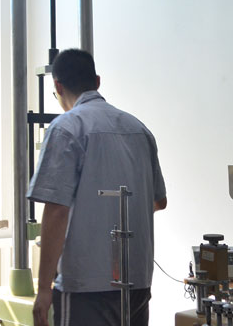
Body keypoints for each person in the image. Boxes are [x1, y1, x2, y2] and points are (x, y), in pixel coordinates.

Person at [27, 49, 167, 326]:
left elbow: (56, 210)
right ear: (97, 81)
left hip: (85, 287)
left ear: (57, 86)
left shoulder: (66, 127)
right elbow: (158, 202)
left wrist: (43, 290)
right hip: (137, 282)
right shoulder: (139, 129)